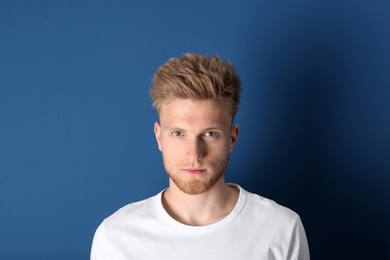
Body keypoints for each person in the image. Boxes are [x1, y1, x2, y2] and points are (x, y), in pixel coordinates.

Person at [90, 53, 310, 260]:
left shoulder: (281, 229)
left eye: (210, 134)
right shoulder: (115, 237)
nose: (194, 153)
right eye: (178, 133)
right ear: (159, 137)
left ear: (232, 138)